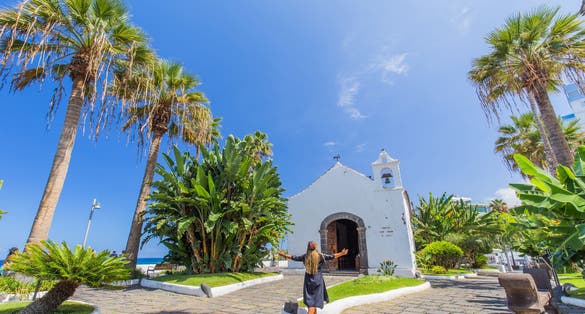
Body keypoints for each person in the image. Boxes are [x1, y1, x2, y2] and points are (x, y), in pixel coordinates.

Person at [279, 241, 348, 314]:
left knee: (311, 302)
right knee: (313, 303)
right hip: (318, 280)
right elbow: (332, 256)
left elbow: (294, 257)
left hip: (308, 281)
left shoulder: (305, 256)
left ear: (308, 248)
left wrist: (284, 255)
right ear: (316, 247)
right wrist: (342, 253)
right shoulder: (320, 256)